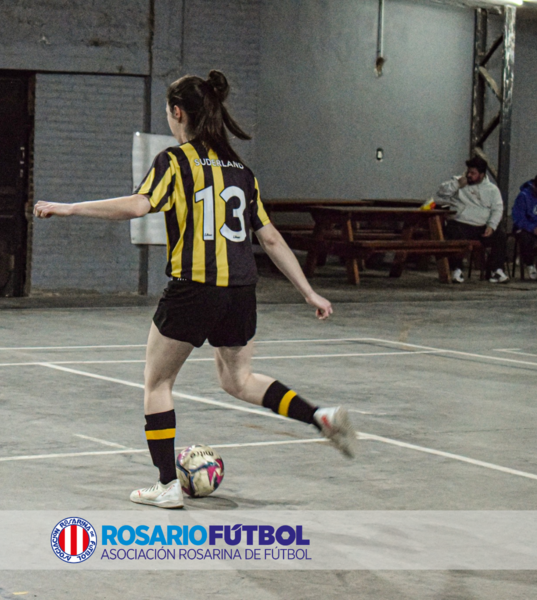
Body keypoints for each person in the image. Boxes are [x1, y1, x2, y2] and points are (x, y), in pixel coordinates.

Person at [34, 70, 355, 509]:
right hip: (240, 289)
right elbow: (272, 238)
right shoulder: (242, 171)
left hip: (193, 289)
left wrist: (69, 208)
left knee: (157, 382)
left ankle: (167, 484)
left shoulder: (175, 161)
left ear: (178, 113)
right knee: (238, 380)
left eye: (169, 111)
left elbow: (137, 205)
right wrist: (308, 292)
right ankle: (318, 415)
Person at [436, 156, 508, 283]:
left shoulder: (492, 189)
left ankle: (496, 270)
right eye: (468, 172)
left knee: (500, 235)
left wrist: (491, 225)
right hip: (461, 222)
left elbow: (498, 209)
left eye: (473, 173)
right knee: (453, 231)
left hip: (482, 226)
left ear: (482, 174)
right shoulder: (458, 182)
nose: (469, 175)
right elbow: (441, 193)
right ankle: (456, 269)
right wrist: (457, 184)